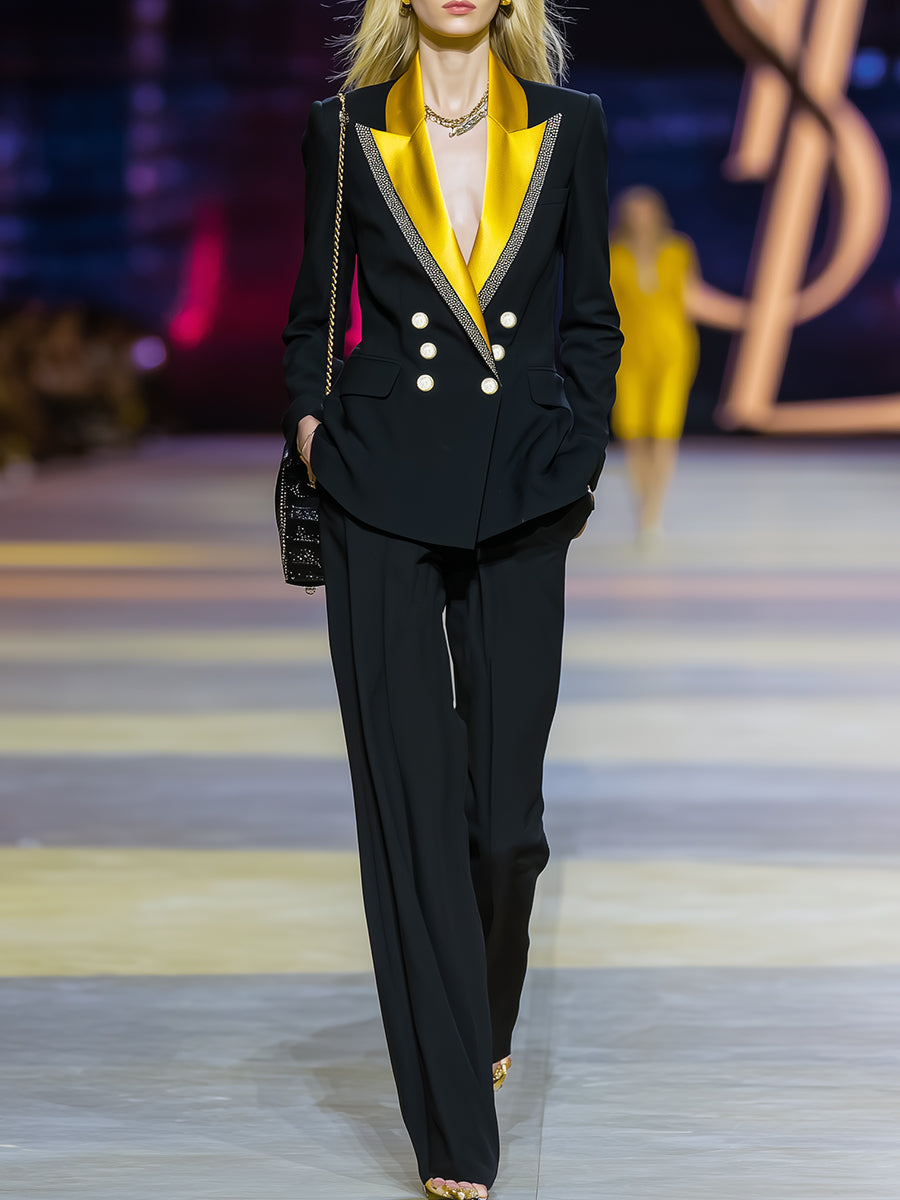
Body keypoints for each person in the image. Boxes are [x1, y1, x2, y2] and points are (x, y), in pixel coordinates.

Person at [281, 2, 621, 1196]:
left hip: (525, 488)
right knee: (410, 812)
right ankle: (452, 1135)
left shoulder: (570, 126)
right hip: (378, 486)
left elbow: (592, 314)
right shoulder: (345, 128)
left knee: (502, 825)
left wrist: (580, 449)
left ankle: (484, 1009)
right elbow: (315, 317)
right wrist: (314, 435)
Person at [609, 186, 699, 540]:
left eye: (646, 210)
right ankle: (642, 502)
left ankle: (653, 511)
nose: (641, 218)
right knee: (633, 431)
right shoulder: (613, 253)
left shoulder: (678, 250)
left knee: (664, 430)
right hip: (628, 350)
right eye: (634, 211)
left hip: (672, 350)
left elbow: (690, 296)